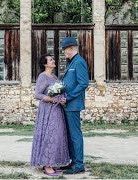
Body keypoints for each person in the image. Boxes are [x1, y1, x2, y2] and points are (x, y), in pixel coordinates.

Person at [30, 54, 70, 176]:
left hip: (57, 110)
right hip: (47, 110)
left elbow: (59, 91)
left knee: (56, 136)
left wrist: (62, 98)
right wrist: (51, 99)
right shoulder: (43, 76)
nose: (53, 61)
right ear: (45, 64)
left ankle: (51, 163)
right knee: (49, 135)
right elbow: (37, 95)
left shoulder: (54, 76)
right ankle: (46, 165)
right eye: (51, 60)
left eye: (53, 59)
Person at [60, 37, 89, 174]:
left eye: (64, 49)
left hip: (73, 104)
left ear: (71, 48)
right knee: (70, 134)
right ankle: (73, 162)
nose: (63, 52)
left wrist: (68, 97)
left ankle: (79, 165)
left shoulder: (79, 62)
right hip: (68, 104)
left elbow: (83, 83)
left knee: (75, 135)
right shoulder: (71, 62)